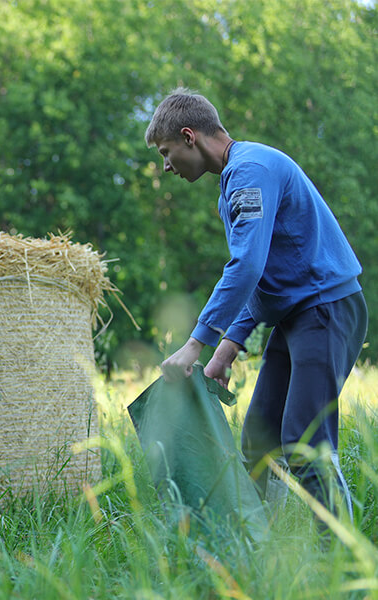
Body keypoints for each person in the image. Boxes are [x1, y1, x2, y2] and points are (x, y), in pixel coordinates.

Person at [146, 88, 367, 519]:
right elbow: (260, 277)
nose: (167, 166)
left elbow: (245, 267)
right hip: (295, 316)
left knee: (305, 444)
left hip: (325, 309)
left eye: (167, 153)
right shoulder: (234, 182)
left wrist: (197, 344)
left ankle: (338, 558)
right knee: (261, 443)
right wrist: (226, 352)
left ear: (189, 136)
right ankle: (267, 546)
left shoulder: (250, 171)